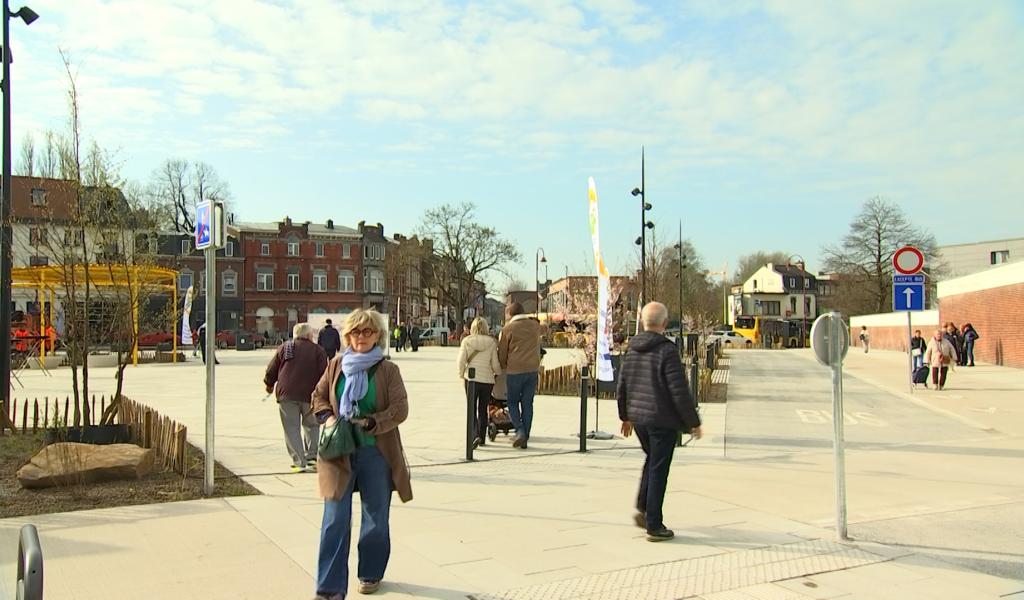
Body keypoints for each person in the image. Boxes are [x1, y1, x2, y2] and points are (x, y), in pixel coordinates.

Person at [311, 309, 411, 599]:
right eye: (355, 331)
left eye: (368, 331)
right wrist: (328, 417)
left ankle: (370, 572)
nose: (361, 337)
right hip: (338, 451)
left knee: (375, 518)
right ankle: (329, 588)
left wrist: (372, 422)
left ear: (378, 335)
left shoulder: (388, 370)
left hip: (375, 452)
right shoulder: (336, 365)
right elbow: (317, 397)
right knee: (334, 520)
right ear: (347, 336)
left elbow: (400, 409)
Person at [617, 302, 702, 542]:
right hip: (661, 419)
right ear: (664, 323)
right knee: (659, 468)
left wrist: (625, 416)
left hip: (639, 418)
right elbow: (679, 390)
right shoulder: (667, 351)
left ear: (643, 322)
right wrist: (693, 422)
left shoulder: (632, 349)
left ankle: (644, 507)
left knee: (652, 460)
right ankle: (654, 524)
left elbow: (622, 386)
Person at [265, 323, 328, 473]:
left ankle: (298, 462)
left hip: (287, 394)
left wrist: (269, 384)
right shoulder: (318, 350)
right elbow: (324, 374)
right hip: (310, 395)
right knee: (312, 426)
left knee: (291, 428)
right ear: (309, 335)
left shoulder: (285, 347)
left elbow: (272, 368)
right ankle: (312, 459)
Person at [497, 302, 545, 449]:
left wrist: (503, 366)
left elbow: (502, 353)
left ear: (510, 314)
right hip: (532, 370)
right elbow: (545, 328)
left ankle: (520, 431)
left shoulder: (508, 329)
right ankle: (526, 435)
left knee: (512, 402)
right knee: (527, 403)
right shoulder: (534, 326)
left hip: (515, 371)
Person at [456, 317, 502, 448]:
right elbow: (495, 363)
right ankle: (482, 437)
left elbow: (461, 361)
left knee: (471, 408)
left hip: (471, 380)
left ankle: (474, 434)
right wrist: (498, 373)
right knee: (483, 408)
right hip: (487, 380)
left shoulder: (466, 341)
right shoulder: (492, 342)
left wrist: (461, 374)